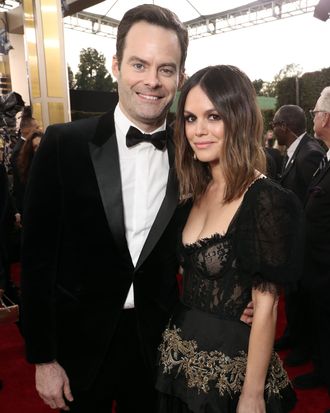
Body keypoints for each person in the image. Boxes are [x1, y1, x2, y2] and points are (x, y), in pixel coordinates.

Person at [20, 5, 252, 413]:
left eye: (166, 69)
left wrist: (241, 293)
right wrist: (43, 358)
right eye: (139, 64)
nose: (152, 81)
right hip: (79, 347)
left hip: (158, 345)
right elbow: (37, 261)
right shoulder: (62, 145)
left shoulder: (194, 155)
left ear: (180, 77)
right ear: (116, 65)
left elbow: (214, 232)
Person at [156, 65, 303, 413]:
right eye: (190, 118)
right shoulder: (192, 194)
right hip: (176, 359)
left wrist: (251, 396)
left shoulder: (266, 199)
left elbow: (266, 308)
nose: (199, 130)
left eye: (213, 116)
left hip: (231, 377)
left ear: (238, 119)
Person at [271, 104, 325, 367]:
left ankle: (305, 347)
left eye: (273, 125)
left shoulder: (309, 155)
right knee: (294, 294)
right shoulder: (295, 152)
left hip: (308, 247)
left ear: (284, 127)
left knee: (305, 298)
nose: (272, 130)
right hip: (295, 243)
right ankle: (294, 336)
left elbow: (313, 204)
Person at [291, 88, 330, 407]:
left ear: (326, 118)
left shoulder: (314, 153)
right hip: (314, 265)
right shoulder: (326, 156)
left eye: (316, 112)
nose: (313, 117)